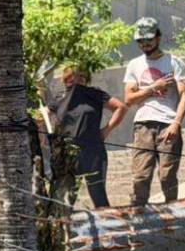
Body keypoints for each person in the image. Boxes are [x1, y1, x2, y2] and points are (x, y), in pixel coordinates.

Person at [123, 18, 185, 205]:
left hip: (168, 123)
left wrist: (176, 123)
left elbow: (184, 96)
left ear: (158, 38)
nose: (145, 44)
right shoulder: (134, 65)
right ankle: (138, 216)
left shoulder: (174, 62)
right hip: (143, 125)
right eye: (141, 41)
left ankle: (172, 213)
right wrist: (154, 87)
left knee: (167, 176)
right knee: (140, 176)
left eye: (149, 40)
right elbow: (129, 99)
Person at [49, 66, 127, 208]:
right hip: (67, 154)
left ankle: (107, 225)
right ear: (67, 80)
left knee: (98, 195)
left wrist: (106, 130)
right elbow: (42, 116)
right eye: (75, 77)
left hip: (93, 151)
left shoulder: (94, 94)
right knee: (65, 199)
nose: (79, 80)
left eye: (82, 78)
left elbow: (120, 107)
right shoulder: (59, 98)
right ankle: (64, 227)